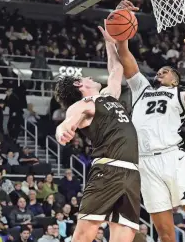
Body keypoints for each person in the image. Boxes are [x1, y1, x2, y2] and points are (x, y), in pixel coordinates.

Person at [115, 0, 185, 242]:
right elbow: (124, 53)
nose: (160, 72)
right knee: (166, 234)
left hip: (171, 159)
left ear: (175, 80)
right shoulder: (141, 89)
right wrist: (120, 17)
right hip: (146, 163)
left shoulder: (177, 94)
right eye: (158, 71)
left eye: (165, 71)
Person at [55, 22, 140, 242]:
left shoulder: (107, 96)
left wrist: (110, 42)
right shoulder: (83, 104)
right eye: (84, 77)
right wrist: (62, 131)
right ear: (78, 84)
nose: (90, 77)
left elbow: (116, 70)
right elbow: (66, 123)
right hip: (107, 170)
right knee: (84, 235)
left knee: (125, 235)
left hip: (131, 172)